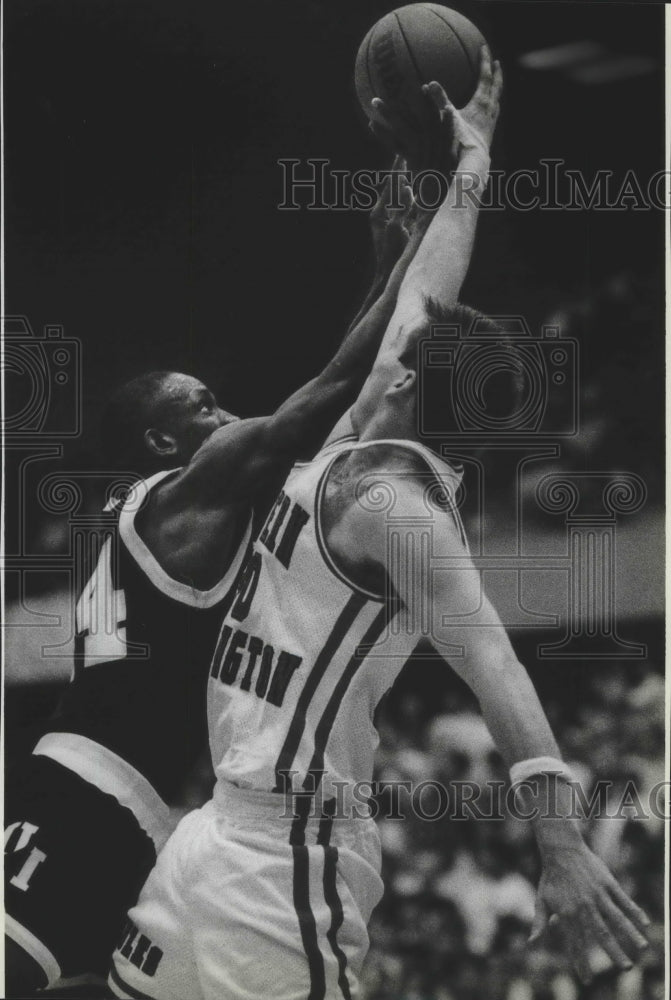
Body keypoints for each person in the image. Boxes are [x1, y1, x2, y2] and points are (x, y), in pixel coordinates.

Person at [111, 63, 650, 1000]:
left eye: (403, 359)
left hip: (290, 868)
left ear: (410, 389)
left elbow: (501, 675)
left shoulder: (395, 515)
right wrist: (465, 174)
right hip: (210, 835)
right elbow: (417, 306)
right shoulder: (345, 451)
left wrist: (560, 848)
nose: (392, 350)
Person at [3, 138, 434, 995]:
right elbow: (329, 395)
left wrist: (384, 265)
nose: (227, 411)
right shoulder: (183, 496)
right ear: (163, 443)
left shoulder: (154, 517)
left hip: (124, 804)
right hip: (92, 798)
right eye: (203, 406)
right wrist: (413, 254)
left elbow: (332, 403)